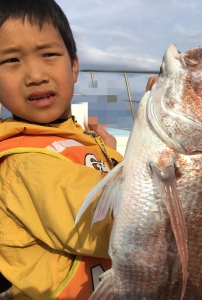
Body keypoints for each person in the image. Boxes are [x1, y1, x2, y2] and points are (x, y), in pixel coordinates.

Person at [0, 0, 123, 299]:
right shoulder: (24, 164)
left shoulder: (78, 133)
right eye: (11, 61)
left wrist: (110, 151)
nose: (35, 75)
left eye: (49, 54)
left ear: (75, 66)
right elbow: (113, 224)